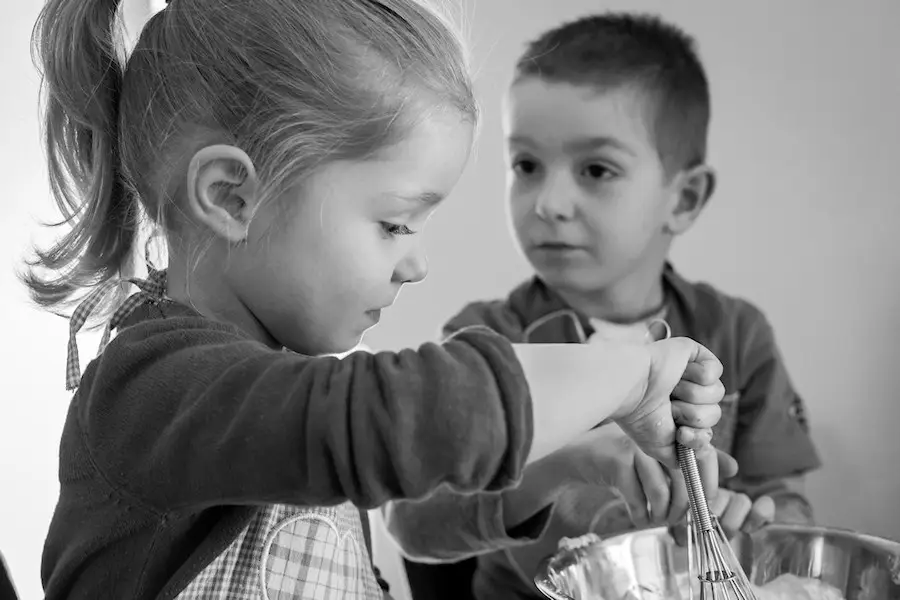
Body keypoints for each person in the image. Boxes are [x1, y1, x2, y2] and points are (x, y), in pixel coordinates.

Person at [24, 2, 729, 599]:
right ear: (232, 195)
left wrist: (581, 461)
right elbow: (393, 419)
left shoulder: (280, 382)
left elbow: (415, 498)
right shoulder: (153, 386)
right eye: (394, 224)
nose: (417, 263)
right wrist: (626, 371)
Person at [387, 12, 821, 600]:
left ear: (684, 199)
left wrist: (756, 520)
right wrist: (553, 469)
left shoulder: (737, 333)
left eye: (596, 170)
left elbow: (785, 502)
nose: (549, 202)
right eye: (526, 166)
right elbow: (414, 527)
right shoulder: (484, 339)